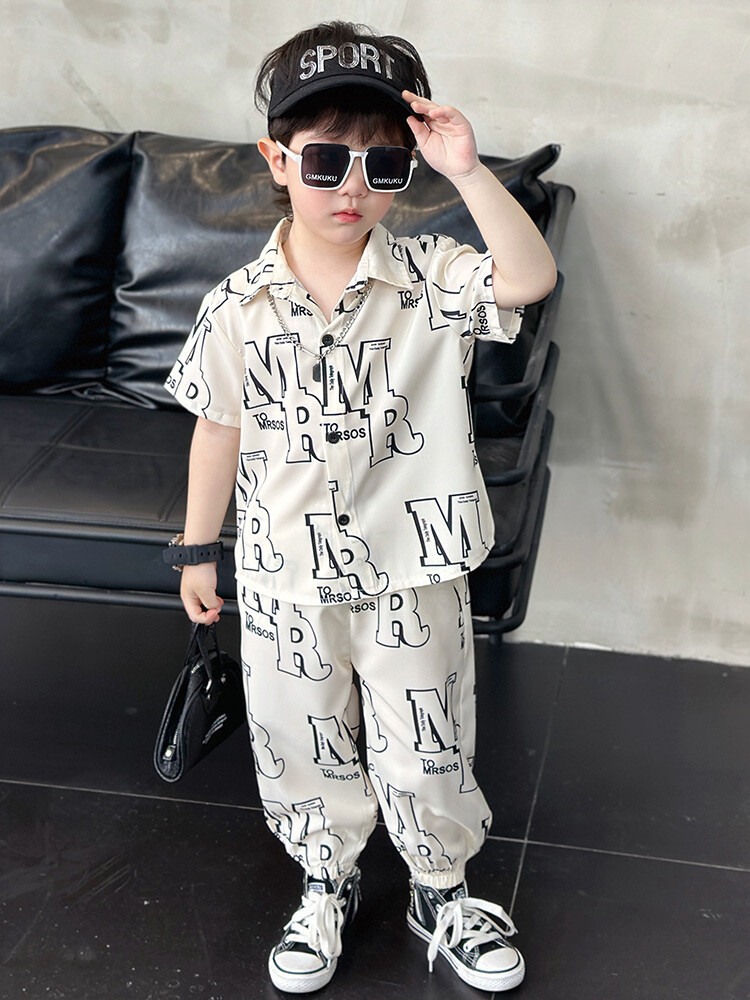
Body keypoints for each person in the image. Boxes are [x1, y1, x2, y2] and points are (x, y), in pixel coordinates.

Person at [163, 20, 557, 994]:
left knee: (428, 742)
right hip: (285, 574)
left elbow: (529, 278)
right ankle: (324, 878)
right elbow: (218, 428)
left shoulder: (433, 276)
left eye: (383, 166)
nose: (352, 187)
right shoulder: (238, 306)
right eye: (325, 159)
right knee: (300, 739)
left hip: (412, 569)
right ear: (277, 159)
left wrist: (464, 169)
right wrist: (196, 549)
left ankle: (441, 888)